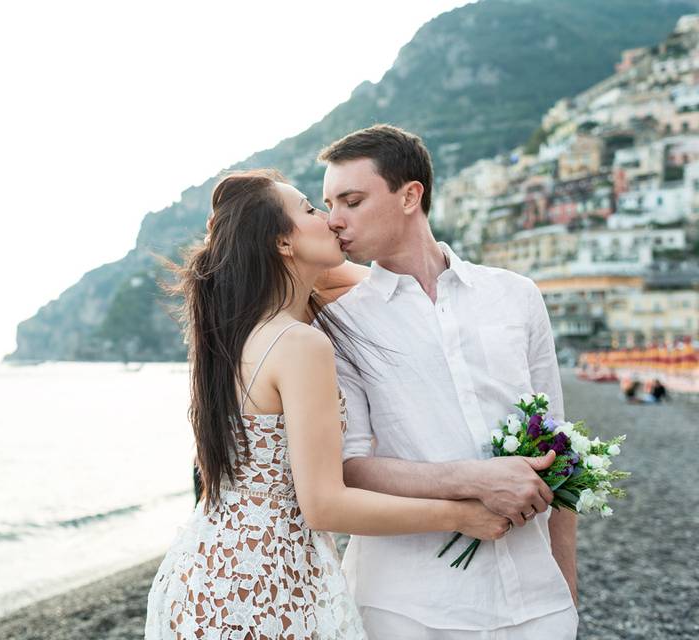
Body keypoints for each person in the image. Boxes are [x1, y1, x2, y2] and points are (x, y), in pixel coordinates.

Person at [145, 169, 512, 639]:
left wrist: (318, 254)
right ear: (282, 243)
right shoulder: (299, 343)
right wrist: (460, 513)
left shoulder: (244, 330)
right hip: (265, 579)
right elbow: (324, 506)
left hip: (207, 569)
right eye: (312, 209)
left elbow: (388, 290)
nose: (332, 220)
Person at [319, 124, 578, 639]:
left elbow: (559, 445)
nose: (334, 221)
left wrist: (565, 585)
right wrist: (473, 480)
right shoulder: (340, 322)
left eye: (351, 200)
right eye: (329, 204)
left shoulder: (517, 295)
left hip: (536, 601)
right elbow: (348, 467)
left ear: (410, 195)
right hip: (409, 606)